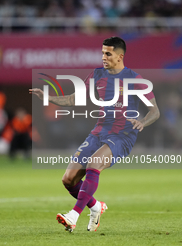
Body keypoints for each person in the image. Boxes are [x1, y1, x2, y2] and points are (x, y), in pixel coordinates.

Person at [29, 36, 160, 232]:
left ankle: (73, 215)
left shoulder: (135, 79)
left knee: (93, 163)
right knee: (68, 179)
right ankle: (96, 207)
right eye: (102, 53)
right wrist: (48, 97)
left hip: (122, 135)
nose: (103, 57)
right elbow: (74, 99)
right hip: (99, 132)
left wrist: (142, 122)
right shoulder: (97, 75)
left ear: (120, 56)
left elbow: (155, 111)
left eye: (108, 54)